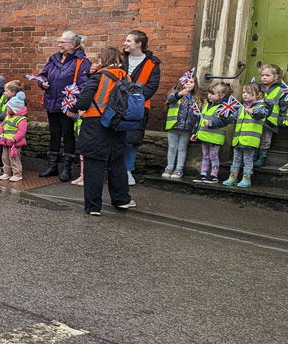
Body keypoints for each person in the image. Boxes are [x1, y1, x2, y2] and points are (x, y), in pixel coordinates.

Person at [75, 47, 135, 216]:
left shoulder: (100, 76)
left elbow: (84, 102)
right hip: (118, 125)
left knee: (94, 165)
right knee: (117, 163)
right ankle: (122, 200)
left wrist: (74, 107)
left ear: (103, 59)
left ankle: (93, 207)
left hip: (96, 124)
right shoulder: (126, 77)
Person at [36, 30, 90, 180]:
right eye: (59, 42)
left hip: (68, 105)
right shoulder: (53, 59)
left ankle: (67, 168)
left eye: (62, 42)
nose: (59, 45)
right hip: (51, 102)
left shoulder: (81, 61)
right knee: (54, 134)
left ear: (72, 44)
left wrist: (77, 104)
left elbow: (84, 84)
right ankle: (52, 166)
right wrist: (43, 83)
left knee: (67, 135)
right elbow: (42, 75)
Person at [206, 82, 267, 188]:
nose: (245, 95)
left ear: (259, 94)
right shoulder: (241, 107)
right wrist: (225, 117)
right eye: (243, 92)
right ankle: (233, 177)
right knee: (236, 159)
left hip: (250, 140)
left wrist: (253, 111)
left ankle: (246, 178)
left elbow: (261, 114)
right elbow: (232, 118)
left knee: (248, 160)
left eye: (249, 93)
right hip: (238, 139)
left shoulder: (261, 106)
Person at [122, 30, 161, 185]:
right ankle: (114, 168)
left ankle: (127, 170)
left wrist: (132, 97)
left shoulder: (152, 63)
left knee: (132, 139)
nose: (124, 43)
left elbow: (151, 87)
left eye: (128, 41)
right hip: (117, 105)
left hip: (139, 107)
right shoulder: (120, 59)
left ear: (139, 44)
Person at [161, 71, 201, 179]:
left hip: (187, 128)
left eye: (191, 82)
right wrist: (180, 94)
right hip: (173, 126)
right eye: (186, 81)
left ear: (195, 85)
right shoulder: (176, 94)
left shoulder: (196, 99)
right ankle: (169, 167)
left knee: (182, 148)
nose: (188, 84)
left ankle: (179, 169)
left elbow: (199, 116)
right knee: (172, 147)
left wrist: (195, 131)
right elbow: (170, 98)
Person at [191, 82, 231, 183]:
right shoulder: (205, 105)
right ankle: (203, 173)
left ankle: (214, 175)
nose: (209, 95)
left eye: (212, 94)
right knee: (205, 156)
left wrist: (211, 123)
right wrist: (195, 132)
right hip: (204, 135)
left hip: (214, 138)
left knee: (213, 157)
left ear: (221, 95)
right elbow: (199, 120)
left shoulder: (224, 108)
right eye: (208, 93)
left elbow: (224, 121)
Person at [256, 64, 288, 168]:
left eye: (267, 75)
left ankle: (262, 158)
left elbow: (284, 107)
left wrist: (281, 120)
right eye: (262, 75)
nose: (264, 77)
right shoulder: (256, 88)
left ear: (276, 77)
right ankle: (252, 157)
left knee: (265, 140)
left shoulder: (280, 90)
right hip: (256, 119)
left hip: (270, 121)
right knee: (255, 138)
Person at [0, 92, 28, 182]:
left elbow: (21, 132)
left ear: (14, 109)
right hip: (5, 141)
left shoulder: (21, 119)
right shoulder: (7, 117)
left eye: (9, 108)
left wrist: (14, 138)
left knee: (14, 159)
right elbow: (2, 126)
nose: (7, 109)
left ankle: (17, 174)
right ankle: (7, 172)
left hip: (14, 143)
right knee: (5, 158)